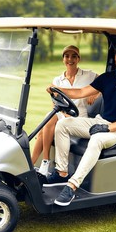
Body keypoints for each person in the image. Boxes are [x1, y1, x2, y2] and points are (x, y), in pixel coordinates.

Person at [46, 39, 116, 206]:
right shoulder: (108, 78)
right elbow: (81, 92)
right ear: (115, 56)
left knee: (97, 139)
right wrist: (57, 89)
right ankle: (62, 172)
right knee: (63, 124)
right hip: (100, 122)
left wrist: (107, 128)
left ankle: (72, 186)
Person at [31, 45, 99, 176]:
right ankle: (35, 164)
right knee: (45, 125)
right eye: (67, 56)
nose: (70, 59)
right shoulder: (57, 80)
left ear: (78, 59)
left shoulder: (88, 75)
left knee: (43, 129)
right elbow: (55, 106)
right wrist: (63, 114)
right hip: (63, 116)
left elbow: (105, 80)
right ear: (63, 59)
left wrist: (96, 93)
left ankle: (43, 162)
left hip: (80, 119)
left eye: (74, 56)